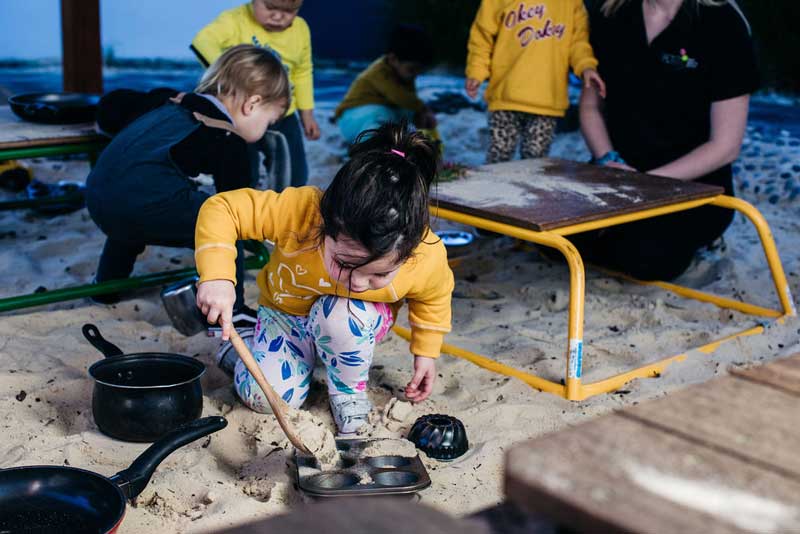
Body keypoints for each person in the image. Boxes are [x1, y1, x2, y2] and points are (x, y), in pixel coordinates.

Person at [194, 122, 454, 435]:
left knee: (342, 311)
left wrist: (426, 351)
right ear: (324, 226)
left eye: (379, 273)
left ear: (409, 251)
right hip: (286, 317)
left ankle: (346, 390)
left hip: (353, 325)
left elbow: (434, 296)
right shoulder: (301, 212)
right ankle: (242, 346)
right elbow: (222, 208)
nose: (357, 283)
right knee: (263, 397)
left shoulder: (426, 255)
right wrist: (218, 277)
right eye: (345, 264)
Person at [85, 45, 290, 326]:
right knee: (225, 222)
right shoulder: (228, 140)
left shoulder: (168, 100)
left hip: (97, 197)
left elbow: (112, 103)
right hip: (137, 206)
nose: (266, 129)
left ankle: (106, 286)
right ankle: (235, 307)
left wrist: (103, 126)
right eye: (269, 122)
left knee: (138, 190)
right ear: (251, 104)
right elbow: (238, 205)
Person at [576, 0, 758, 280]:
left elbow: (725, 146)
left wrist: (647, 185)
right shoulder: (611, 14)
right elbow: (591, 108)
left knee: (643, 259)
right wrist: (607, 159)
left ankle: (701, 241)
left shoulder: (723, 23)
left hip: (692, 187)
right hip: (616, 174)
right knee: (553, 240)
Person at [192, 0, 320, 190]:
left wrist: (307, 114)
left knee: (294, 174)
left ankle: (282, 210)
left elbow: (302, 71)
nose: (278, 16)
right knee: (241, 171)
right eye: (270, 8)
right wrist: (234, 75)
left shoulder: (300, 29)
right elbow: (202, 42)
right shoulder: (235, 20)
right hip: (241, 115)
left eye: (288, 11)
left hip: (281, 114)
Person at [465, 0, 606, 163]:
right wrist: (476, 71)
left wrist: (587, 67)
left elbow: (578, 43)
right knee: (498, 158)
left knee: (534, 163)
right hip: (506, 97)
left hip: (546, 102)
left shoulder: (571, 3)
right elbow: (482, 36)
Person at [333, 24, 439, 145]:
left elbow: (409, 102)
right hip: (352, 118)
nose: (416, 75)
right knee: (380, 116)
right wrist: (423, 109)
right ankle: (367, 149)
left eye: (419, 70)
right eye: (412, 69)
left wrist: (420, 116)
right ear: (393, 59)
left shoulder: (404, 74)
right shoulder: (379, 72)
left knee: (406, 116)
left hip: (378, 115)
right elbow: (399, 97)